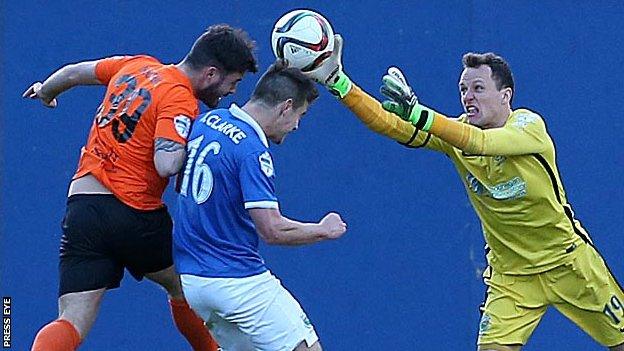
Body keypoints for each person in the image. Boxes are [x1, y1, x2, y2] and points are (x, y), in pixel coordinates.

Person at [304, 35, 624, 351]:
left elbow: (481, 143)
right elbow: (390, 124)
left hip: (568, 263)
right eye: (463, 89)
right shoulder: (456, 135)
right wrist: (339, 83)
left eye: (478, 89)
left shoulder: (528, 127)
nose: (468, 97)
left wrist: (419, 114)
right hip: (511, 278)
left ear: (505, 95)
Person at [22, 24, 257, 351]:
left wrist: (46, 92)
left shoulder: (137, 65)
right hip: (133, 214)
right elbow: (166, 163)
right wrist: (200, 148)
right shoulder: (179, 97)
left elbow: (75, 73)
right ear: (211, 73)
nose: (232, 91)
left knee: (71, 319)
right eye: (233, 82)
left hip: (83, 207)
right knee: (185, 286)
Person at [173, 59, 347, 351]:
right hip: (237, 282)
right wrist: (322, 230)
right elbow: (272, 230)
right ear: (285, 107)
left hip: (194, 283)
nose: (296, 126)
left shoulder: (207, 122)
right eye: (299, 115)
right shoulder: (252, 150)